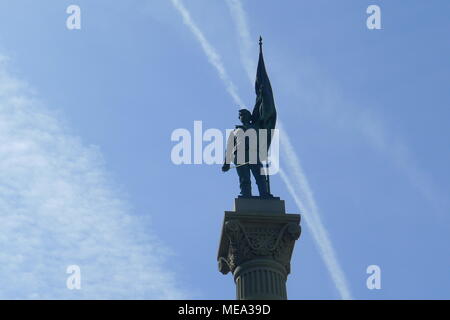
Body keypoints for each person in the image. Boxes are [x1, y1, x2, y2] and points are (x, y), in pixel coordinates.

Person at [222, 109, 270, 198]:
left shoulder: (256, 127)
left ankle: (264, 194)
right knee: (244, 178)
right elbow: (229, 148)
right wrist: (226, 163)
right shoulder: (235, 131)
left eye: (245, 114)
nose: (243, 116)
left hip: (254, 154)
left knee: (261, 177)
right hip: (240, 155)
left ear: (249, 116)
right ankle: (246, 195)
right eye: (241, 115)